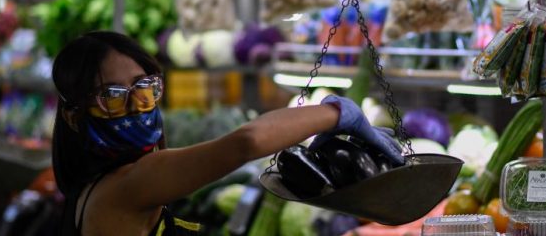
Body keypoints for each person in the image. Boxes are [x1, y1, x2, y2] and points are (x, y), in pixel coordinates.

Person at [51, 31, 403, 235]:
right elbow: (245, 143)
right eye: (111, 96)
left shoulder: (92, 187)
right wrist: (337, 114)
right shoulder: (132, 183)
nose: (134, 105)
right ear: (73, 116)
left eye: (143, 88)